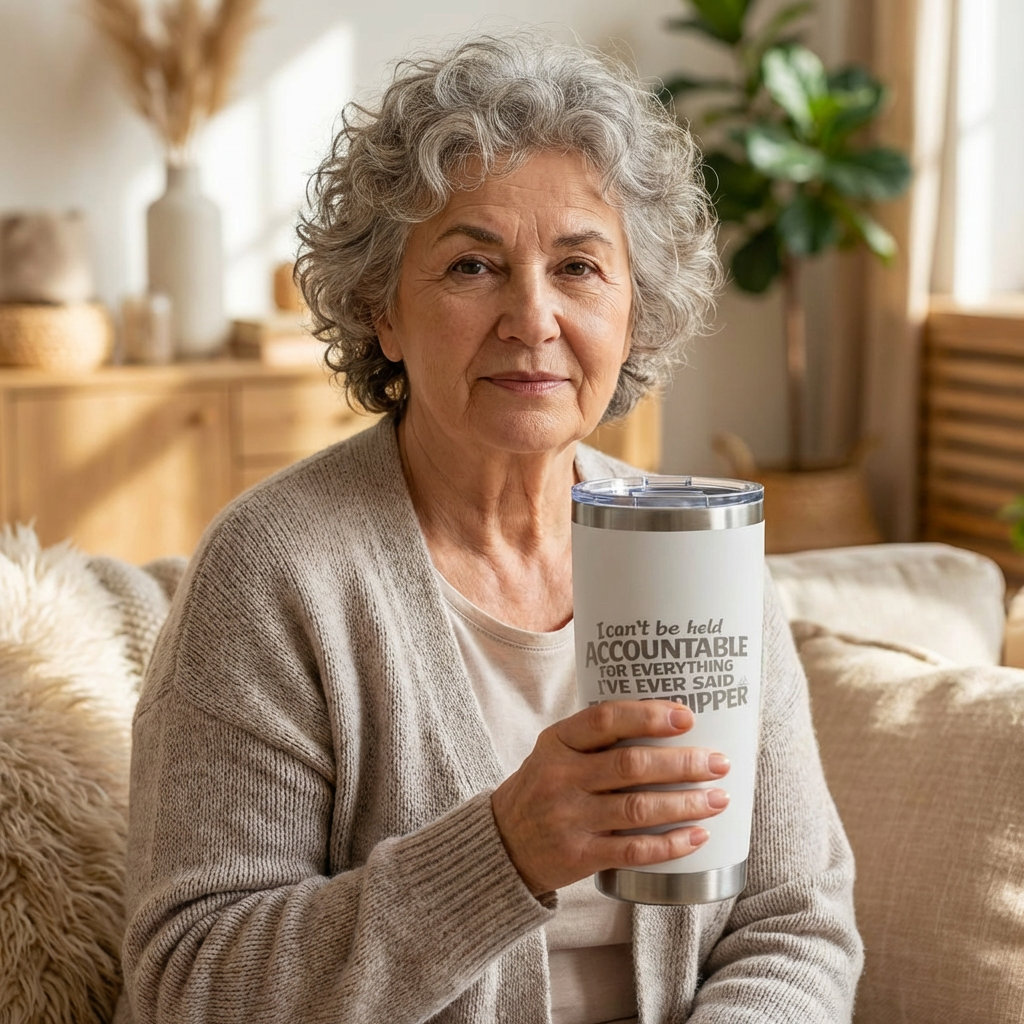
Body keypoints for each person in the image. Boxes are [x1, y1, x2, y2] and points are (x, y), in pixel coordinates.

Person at [120, 31, 862, 1024]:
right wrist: (503, 850)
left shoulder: (699, 553)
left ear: (633, 309)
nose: (531, 316)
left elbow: (796, 918)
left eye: (578, 267)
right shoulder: (276, 570)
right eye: (473, 265)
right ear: (383, 310)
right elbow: (190, 983)